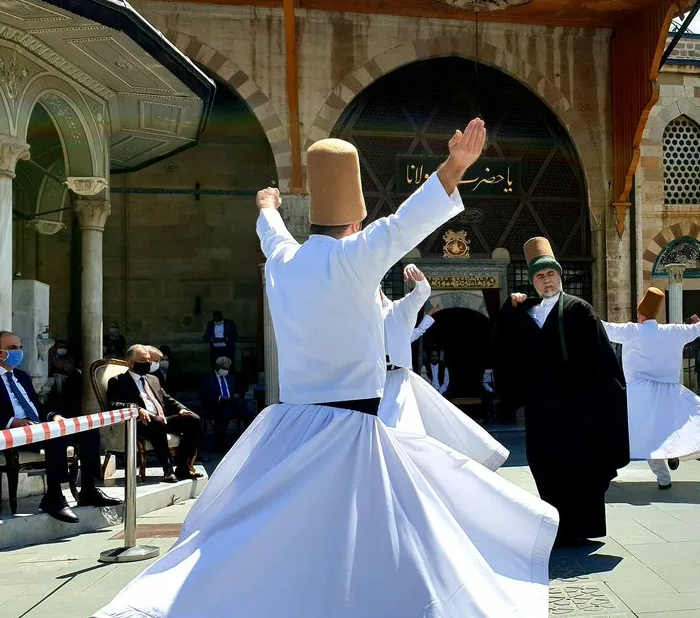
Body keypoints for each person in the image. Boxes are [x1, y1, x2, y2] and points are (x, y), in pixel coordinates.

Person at [95, 120, 560, 618]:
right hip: (353, 431)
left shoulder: (284, 262)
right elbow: (407, 221)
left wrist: (268, 206)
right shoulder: (357, 257)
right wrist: (455, 166)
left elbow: (271, 232)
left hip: (288, 426)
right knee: (370, 543)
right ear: (357, 221)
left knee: (273, 535)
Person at [495, 236, 629, 547]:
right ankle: (558, 526)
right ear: (534, 282)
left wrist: (602, 402)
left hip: (576, 409)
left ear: (560, 276)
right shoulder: (527, 312)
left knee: (579, 468)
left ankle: (580, 528)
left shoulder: (579, 309)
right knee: (545, 465)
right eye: (539, 276)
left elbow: (601, 359)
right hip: (542, 410)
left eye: (550, 274)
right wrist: (509, 307)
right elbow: (504, 345)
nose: (546, 280)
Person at [599, 288, 700, 489]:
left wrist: (575, 312)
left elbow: (603, 328)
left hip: (639, 394)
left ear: (641, 315)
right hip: (668, 393)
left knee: (628, 434)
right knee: (665, 432)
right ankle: (667, 468)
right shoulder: (673, 331)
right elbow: (698, 329)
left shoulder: (632, 331)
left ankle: (611, 473)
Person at [377, 264, 508, 470]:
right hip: (373, 382)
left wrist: (418, 276)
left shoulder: (399, 308)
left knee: (405, 433)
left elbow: (423, 292)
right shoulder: (362, 317)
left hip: (398, 381)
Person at [0, 331, 121, 522]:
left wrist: (53, 415)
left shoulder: (21, 376)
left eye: (20, 348)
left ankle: (89, 489)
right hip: (13, 433)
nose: (18, 352)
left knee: (87, 429)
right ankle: (54, 496)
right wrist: (11, 422)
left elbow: (37, 406)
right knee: (54, 435)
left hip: (37, 427)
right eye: (12, 348)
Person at [107, 345, 203, 483]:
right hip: (139, 422)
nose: (148, 364)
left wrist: (181, 409)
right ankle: (168, 470)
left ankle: (183, 467)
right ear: (130, 363)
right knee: (157, 422)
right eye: (143, 361)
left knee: (193, 419)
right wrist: (137, 409)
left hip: (161, 419)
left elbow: (167, 398)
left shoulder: (153, 379)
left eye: (148, 360)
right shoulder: (118, 381)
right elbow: (114, 404)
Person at [200, 356, 254, 450]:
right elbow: (204, 394)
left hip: (231, 403)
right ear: (217, 367)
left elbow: (238, 390)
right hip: (215, 406)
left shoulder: (231, 378)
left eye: (228, 368)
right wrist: (219, 398)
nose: (226, 370)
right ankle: (220, 444)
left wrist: (237, 394)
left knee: (250, 414)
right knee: (224, 412)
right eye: (224, 368)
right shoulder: (208, 379)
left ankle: (250, 440)